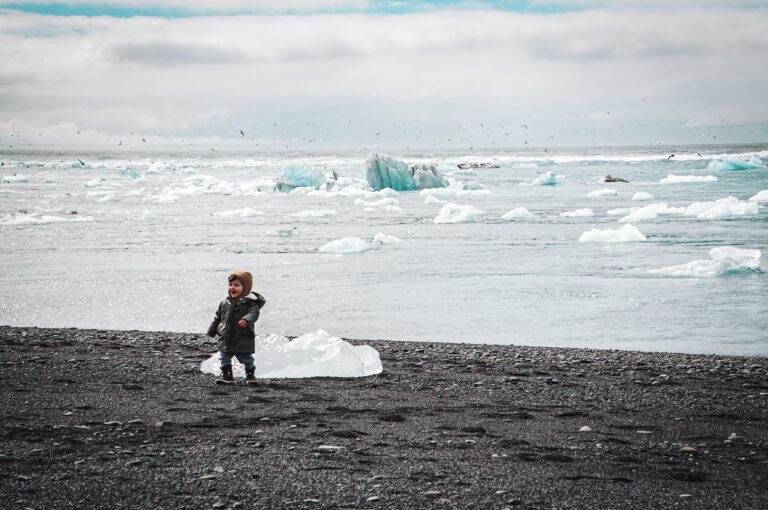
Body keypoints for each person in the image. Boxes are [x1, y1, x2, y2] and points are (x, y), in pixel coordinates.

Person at [206, 271, 266, 385]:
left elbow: (254, 313)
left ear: (246, 288)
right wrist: (212, 330)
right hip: (226, 337)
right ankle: (227, 376)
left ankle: (250, 376)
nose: (232, 287)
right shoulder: (224, 302)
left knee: (246, 359)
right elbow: (218, 317)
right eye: (230, 285)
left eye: (237, 285)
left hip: (242, 337)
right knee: (224, 357)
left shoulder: (250, 304)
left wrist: (246, 319)